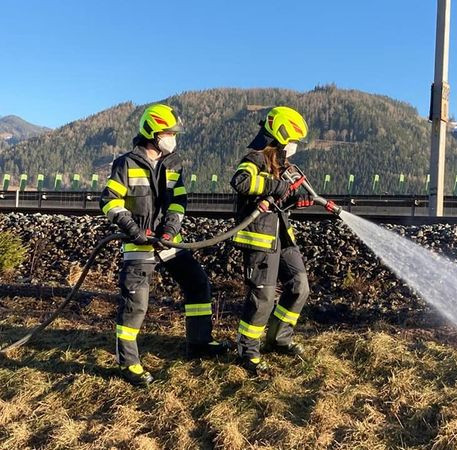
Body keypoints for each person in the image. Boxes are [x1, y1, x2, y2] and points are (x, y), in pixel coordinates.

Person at [100, 103, 229, 386]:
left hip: (168, 242)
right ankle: (128, 363)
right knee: (135, 304)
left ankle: (199, 342)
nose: (173, 138)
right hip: (139, 244)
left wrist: (171, 229)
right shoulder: (126, 164)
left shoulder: (172, 164)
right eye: (169, 133)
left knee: (197, 284)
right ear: (153, 133)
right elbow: (109, 201)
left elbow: (179, 201)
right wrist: (132, 229)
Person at [230, 106, 314, 374]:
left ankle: (279, 339)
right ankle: (247, 351)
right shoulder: (255, 158)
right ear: (280, 135)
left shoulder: (283, 165)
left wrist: (296, 199)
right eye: (293, 140)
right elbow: (241, 182)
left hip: (282, 237)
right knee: (263, 297)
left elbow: (283, 198)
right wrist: (276, 186)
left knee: (299, 286)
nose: (294, 146)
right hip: (259, 238)